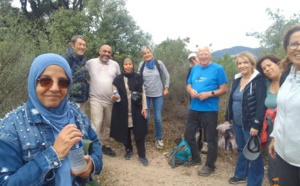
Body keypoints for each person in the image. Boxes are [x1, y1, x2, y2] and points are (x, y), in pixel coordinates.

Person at [0, 53, 102, 185]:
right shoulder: (11, 127)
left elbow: (95, 143)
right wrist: (54, 154)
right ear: (33, 82)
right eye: (45, 81)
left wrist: (92, 165)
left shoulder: (75, 113)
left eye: (63, 82)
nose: (55, 88)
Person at [185, 46, 228, 176]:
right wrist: (191, 90)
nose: (203, 56)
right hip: (194, 108)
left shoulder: (218, 69)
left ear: (210, 55)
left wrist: (209, 94)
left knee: (211, 139)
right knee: (188, 135)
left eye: (206, 54)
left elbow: (224, 89)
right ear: (197, 56)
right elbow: (189, 85)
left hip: (210, 110)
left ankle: (210, 165)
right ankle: (196, 158)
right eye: (201, 54)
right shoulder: (194, 69)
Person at [225, 52, 266, 185]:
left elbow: (261, 104)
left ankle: (255, 181)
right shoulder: (237, 80)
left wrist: (256, 124)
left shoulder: (258, 80)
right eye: (239, 63)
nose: (242, 65)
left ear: (251, 63)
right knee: (242, 149)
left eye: (245, 62)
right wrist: (228, 117)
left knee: (254, 153)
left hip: (251, 124)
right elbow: (231, 100)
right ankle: (241, 175)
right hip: (237, 123)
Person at [269, 24, 300, 186]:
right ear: (287, 48)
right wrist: (274, 137)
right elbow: (282, 111)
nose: (298, 48)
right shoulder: (286, 76)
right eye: (294, 43)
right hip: (284, 154)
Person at [110, 58, 148, 166]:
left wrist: (144, 108)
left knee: (139, 132)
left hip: (136, 109)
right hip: (123, 110)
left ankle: (142, 155)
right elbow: (114, 93)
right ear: (123, 66)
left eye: (130, 64)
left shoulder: (138, 77)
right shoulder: (118, 79)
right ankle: (128, 150)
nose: (128, 66)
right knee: (125, 131)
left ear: (132, 65)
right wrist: (114, 97)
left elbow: (143, 93)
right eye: (126, 64)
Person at [86, 44, 120, 157]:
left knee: (108, 125)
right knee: (97, 123)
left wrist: (118, 94)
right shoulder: (91, 63)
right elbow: (80, 73)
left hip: (111, 101)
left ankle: (106, 146)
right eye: (104, 51)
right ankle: (94, 148)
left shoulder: (115, 65)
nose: (106, 54)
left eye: (109, 52)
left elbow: (119, 81)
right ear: (99, 51)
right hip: (96, 99)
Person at [137, 46, 170, 149]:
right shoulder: (142, 65)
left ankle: (159, 139)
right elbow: (138, 78)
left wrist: (166, 88)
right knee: (146, 117)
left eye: (148, 52)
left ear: (151, 52)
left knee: (158, 117)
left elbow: (167, 75)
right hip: (145, 94)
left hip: (158, 94)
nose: (147, 55)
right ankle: (143, 137)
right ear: (142, 56)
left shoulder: (158, 63)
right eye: (144, 54)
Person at [256, 54, 282, 186]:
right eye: (264, 68)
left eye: (269, 65)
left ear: (278, 63)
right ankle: (274, 182)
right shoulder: (267, 84)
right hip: (270, 126)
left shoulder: (290, 80)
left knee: (285, 158)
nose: (267, 69)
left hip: (286, 126)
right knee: (272, 156)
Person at [62, 35, 89, 113]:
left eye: (84, 45)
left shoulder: (82, 60)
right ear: (72, 45)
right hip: (71, 100)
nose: (82, 47)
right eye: (80, 44)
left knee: (80, 123)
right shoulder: (66, 59)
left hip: (82, 99)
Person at [187, 53, 208, 153]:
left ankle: (206, 143)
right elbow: (188, 85)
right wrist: (191, 92)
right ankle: (198, 143)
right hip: (194, 102)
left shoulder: (208, 68)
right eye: (191, 61)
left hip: (207, 102)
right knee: (197, 124)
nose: (194, 62)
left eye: (195, 59)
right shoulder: (191, 70)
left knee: (206, 124)